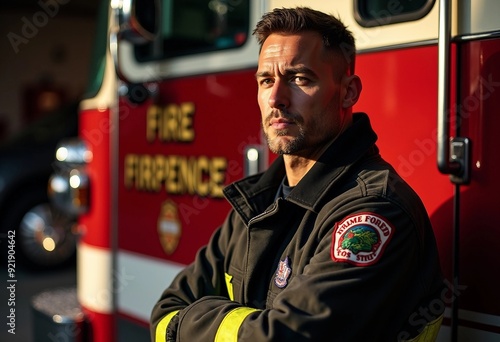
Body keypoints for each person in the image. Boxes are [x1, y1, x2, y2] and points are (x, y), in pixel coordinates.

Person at [151, 7, 444, 341]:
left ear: (348, 92)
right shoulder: (257, 204)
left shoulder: (373, 212)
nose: (276, 98)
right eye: (266, 81)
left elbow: (288, 338)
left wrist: (189, 324)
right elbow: (165, 311)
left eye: (300, 79)